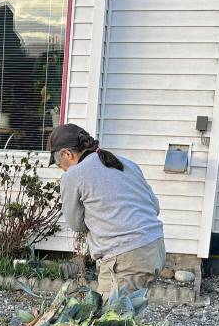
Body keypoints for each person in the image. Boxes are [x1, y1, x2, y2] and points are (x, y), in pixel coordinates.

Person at [51, 123, 165, 296]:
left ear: (67, 154)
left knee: (111, 319)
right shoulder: (127, 164)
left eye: (61, 165)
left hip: (125, 258)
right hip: (155, 247)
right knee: (129, 313)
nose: (63, 170)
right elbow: (154, 207)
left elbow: (77, 225)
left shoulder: (73, 175)